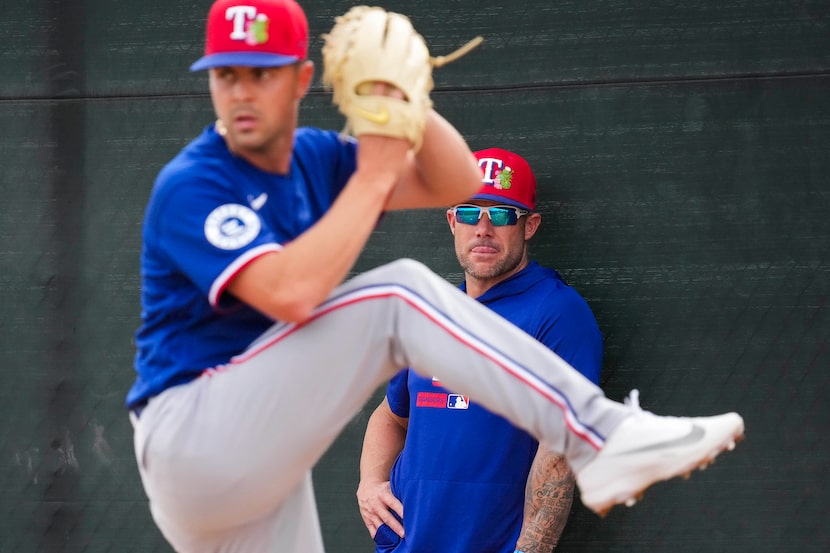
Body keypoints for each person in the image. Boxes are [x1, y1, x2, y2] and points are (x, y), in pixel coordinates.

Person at [126, 1, 744, 552]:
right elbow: (289, 294)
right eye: (225, 74)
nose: (240, 93)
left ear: (302, 80)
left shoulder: (313, 157)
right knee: (399, 296)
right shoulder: (194, 183)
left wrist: (405, 98)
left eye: (261, 74)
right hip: (192, 433)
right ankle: (603, 437)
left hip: (257, 466)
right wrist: (372, 177)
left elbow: (453, 182)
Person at [357, 148, 602, 553]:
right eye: (470, 213)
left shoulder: (556, 313)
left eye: (503, 214)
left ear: (530, 225)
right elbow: (392, 414)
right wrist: (370, 483)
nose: (483, 228)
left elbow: (559, 452)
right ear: (453, 221)